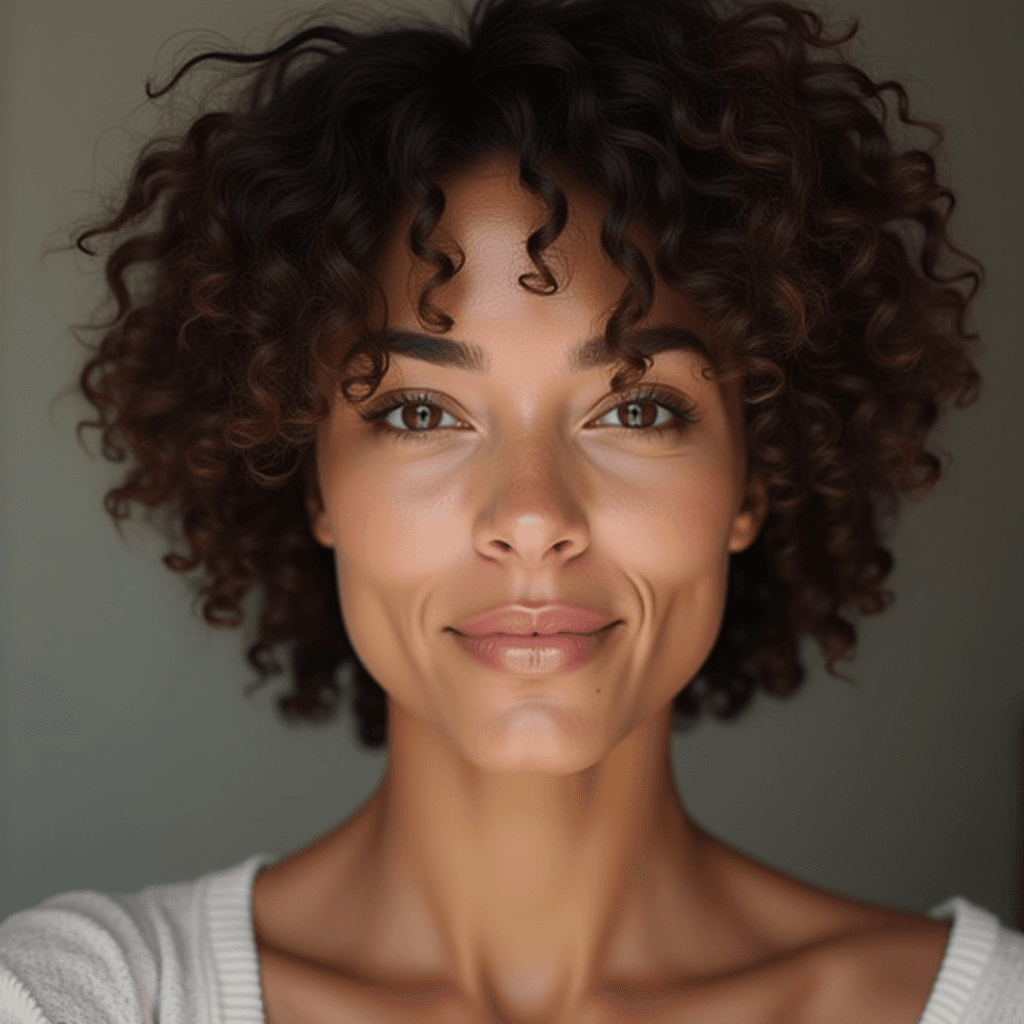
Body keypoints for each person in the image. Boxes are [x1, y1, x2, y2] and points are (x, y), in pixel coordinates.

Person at [2, 0, 1020, 1020]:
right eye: (416, 410)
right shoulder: (82, 995)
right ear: (315, 484)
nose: (531, 517)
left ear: (751, 481)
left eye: (636, 406)